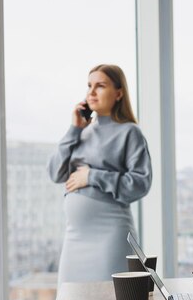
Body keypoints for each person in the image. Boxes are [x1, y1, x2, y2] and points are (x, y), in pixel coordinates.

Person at [47, 64, 152, 286]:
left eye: (100, 86)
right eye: (89, 86)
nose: (91, 92)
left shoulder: (130, 132)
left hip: (110, 234)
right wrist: (73, 129)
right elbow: (55, 173)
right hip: (75, 236)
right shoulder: (80, 132)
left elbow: (140, 184)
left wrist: (92, 176)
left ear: (118, 92)